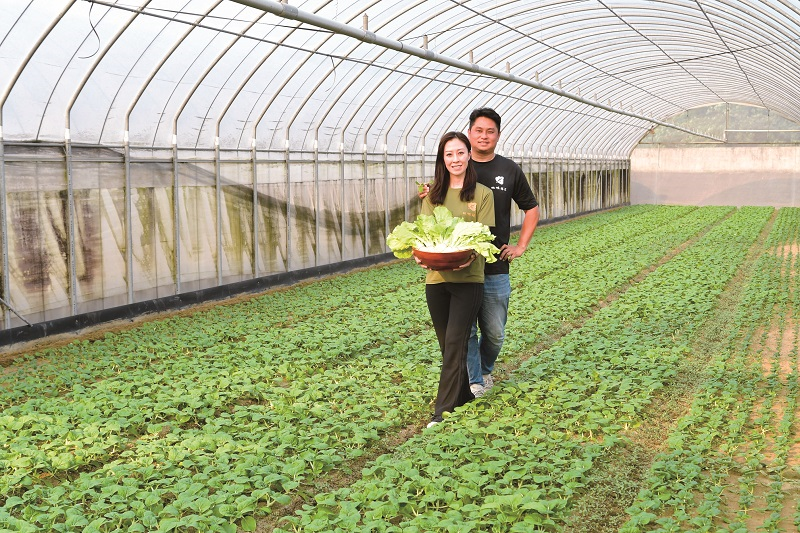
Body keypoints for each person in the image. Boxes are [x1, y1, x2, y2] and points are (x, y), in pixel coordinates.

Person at [420, 108, 539, 398]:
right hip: (458, 265)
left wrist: (520, 245)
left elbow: (531, 208)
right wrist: (431, 192)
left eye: (490, 131)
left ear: (498, 135)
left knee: (495, 331)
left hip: (495, 264)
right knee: (465, 331)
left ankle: (485, 368)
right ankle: (475, 380)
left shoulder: (509, 170)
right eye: (478, 130)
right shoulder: (457, 162)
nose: (484, 136)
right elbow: (439, 198)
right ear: (470, 132)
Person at [418, 131, 495, 428]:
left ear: (469, 155)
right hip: (436, 279)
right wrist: (420, 253)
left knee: (454, 342)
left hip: (469, 280)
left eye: (460, 153)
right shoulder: (433, 194)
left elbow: (484, 237)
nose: (455, 159)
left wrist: (468, 255)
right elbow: (425, 234)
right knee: (448, 345)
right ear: (443, 159)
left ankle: (442, 412)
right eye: (449, 154)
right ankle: (463, 395)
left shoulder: (482, 194)